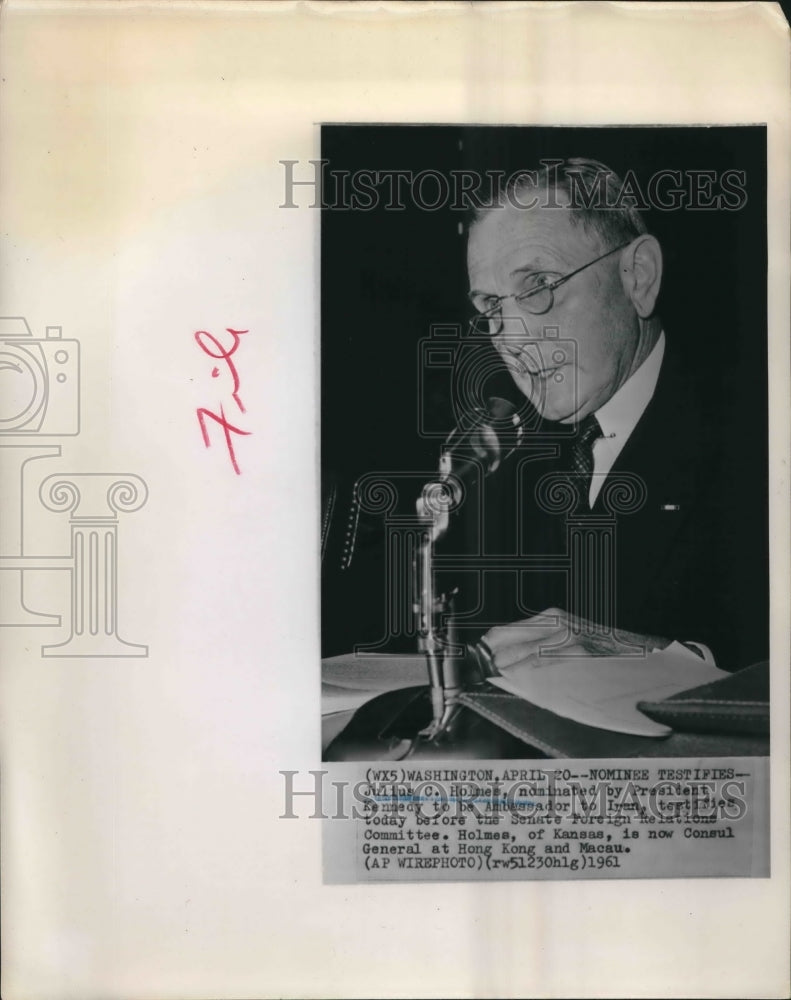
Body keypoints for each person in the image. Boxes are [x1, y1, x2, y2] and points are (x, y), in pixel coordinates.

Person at [440, 157, 767, 674]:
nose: (510, 336)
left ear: (638, 277)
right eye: (490, 306)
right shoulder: (497, 469)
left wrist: (651, 660)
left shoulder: (763, 441)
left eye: (537, 287)